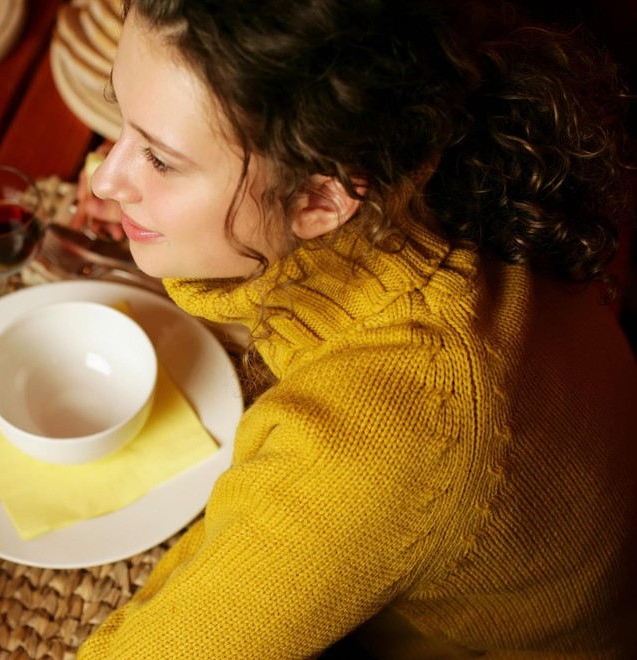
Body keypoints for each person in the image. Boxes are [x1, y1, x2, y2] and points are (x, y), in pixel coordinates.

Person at [73, 0, 637, 657]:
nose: (107, 178)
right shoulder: (428, 149)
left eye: (162, 161)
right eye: (122, 122)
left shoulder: (388, 433)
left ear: (321, 200)